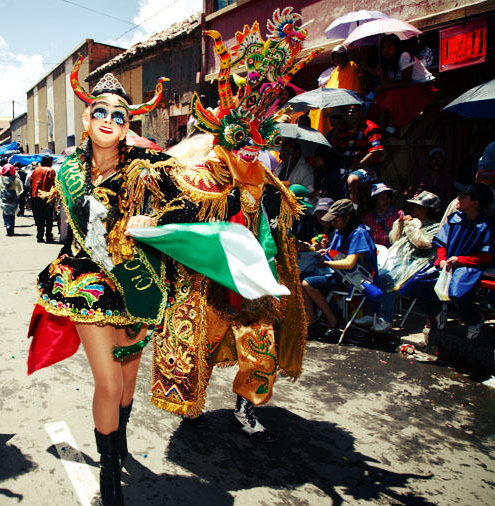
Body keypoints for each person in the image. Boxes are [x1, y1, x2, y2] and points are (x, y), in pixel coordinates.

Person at [27, 59, 193, 506]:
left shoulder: (150, 166)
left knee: (126, 378)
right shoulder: (69, 170)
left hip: (136, 283)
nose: (109, 121)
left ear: (127, 127)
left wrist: (153, 218)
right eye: (101, 112)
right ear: (87, 118)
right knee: (106, 379)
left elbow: (190, 205)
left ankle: (118, 440)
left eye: (119, 117)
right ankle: (106, 469)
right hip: (85, 285)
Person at [150, 16, 312, 443]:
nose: (251, 151)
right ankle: (191, 400)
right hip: (208, 282)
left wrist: (280, 241)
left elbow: (279, 228)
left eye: (260, 143)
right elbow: (174, 216)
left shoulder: (268, 181)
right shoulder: (196, 172)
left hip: (255, 282)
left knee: (261, 350)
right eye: (243, 140)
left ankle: (246, 406)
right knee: (196, 348)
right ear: (224, 136)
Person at [403, 183, 492, 339]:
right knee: (415, 283)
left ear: (475, 203)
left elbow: (486, 255)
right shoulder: (454, 218)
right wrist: (442, 259)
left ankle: (475, 320)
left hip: (469, 266)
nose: (458, 198)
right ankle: (438, 311)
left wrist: (460, 260)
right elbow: (441, 243)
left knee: (457, 292)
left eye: (463, 196)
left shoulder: (486, 226)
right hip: (446, 263)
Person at [302, 198, 378, 342]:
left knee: (307, 284)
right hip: (341, 276)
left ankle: (332, 319)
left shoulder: (358, 233)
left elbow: (350, 263)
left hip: (355, 280)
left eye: (335, 221)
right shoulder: (340, 231)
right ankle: (312, 323)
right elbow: (333, 253)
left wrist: (327, 263)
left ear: (347, 218)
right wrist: (320, 250)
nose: (332, 224)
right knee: (304, 279)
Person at [371, 190, 442, 332]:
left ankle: (386, 319)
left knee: (386, 278)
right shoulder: (415, 223)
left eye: (417, 206)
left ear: (426, 209)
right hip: (398, 261)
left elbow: (421, 243)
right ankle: (370, 314)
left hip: (416, 265)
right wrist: (400, 225)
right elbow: (395, 240)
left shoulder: (436, 227)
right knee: (372, 273)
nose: (413, 209)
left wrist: (410, 226)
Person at [371, 34, 437, 135]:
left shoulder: (404, 56)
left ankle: (392, 126)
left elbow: (405, 81)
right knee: (380, 98)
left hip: (423, 87)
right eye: (383, 48)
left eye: (389, 46)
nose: (386, 50)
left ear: (396, 46)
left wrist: (385, 87)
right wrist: (379, 75)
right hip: (407, 88)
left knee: (391, 96)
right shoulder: (387, 63)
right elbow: (387, 83)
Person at [331, 104, 385, 205]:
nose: (350, 114)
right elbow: (335, 151)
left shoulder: (370, 127)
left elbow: (375, 153)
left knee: (352, 179)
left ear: (360, 111)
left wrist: (355, 167)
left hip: (370, 168)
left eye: (353, 110)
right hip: (347, 167)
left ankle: (353, 210)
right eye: (345, 112)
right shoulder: (341, 131)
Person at [310, 45, 363, 134]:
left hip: (346, 101)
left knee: (324, 111)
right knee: (316, 109)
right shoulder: (335, 72)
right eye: (334, 56)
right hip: (334, 101)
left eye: (339, 56)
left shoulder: (352, 66)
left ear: (345, 56)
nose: (336, 58)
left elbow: (353, 86)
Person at [30, 155, 56, 243]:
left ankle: (39, 236)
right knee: (49, 217)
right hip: (47, 196)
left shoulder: (35, 170)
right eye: (51, 162)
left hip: (36, 195)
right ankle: (48, 236)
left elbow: (31, 181)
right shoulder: (50, 170)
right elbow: (53, 183)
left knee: (39, 217)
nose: (52, 164)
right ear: (48, 162)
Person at [0, 163, 23, 236]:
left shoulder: (1, 179)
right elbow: (20, 189)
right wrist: (18, 194)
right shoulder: (15, 179)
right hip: (13, 197)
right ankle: (11, 227)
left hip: (4, 197)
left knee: (5, 213)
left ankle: (7, 225)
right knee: (12, 214)